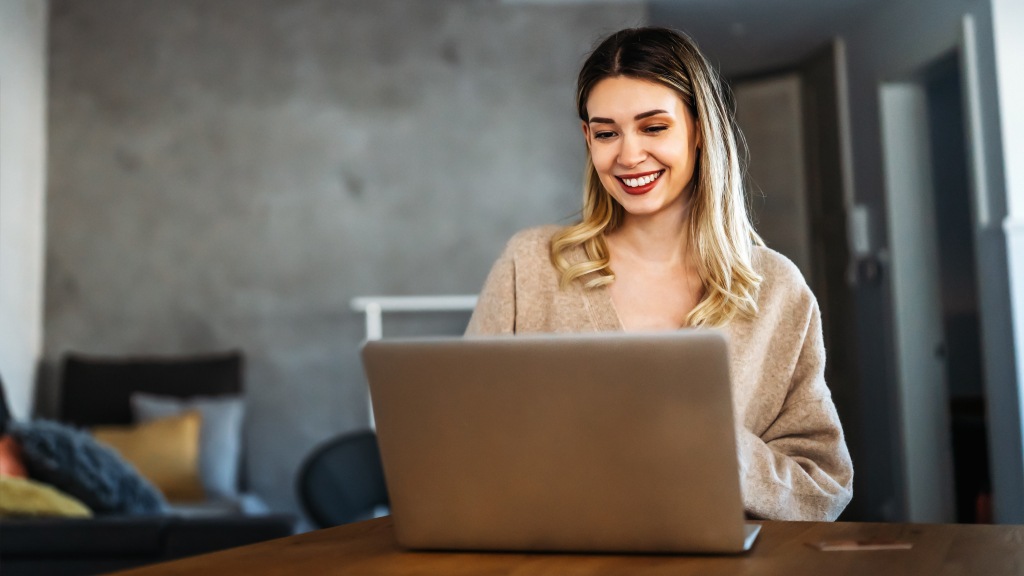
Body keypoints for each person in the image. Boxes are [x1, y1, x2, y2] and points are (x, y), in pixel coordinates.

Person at [465, 27, 853, 521]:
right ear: (588, 138)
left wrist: (707, 441)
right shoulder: (529, 264)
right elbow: (467, 437)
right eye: (607, 133)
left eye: (653, 127)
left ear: (697, 129)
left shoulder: (776, 289)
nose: (628, 156)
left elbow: (822, 489)